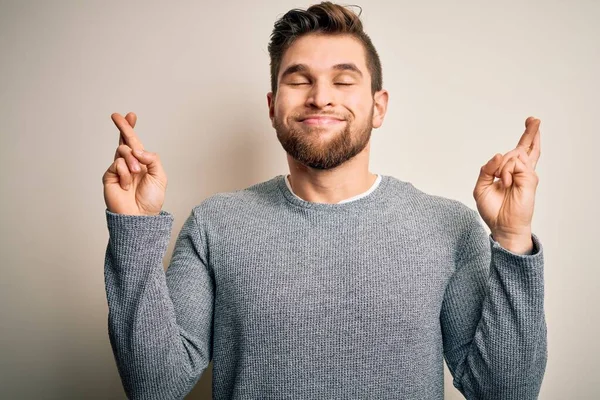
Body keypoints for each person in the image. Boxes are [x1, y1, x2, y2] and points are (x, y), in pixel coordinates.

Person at [102, 2, 546, 399]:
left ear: (380, 106)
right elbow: (154, 385)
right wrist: (134, 232)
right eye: (300, 80)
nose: (321, 97)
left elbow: (504, 392)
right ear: (273, 105)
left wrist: (511, 239)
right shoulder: (214, 224)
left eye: (343, 80)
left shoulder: (449, 227)